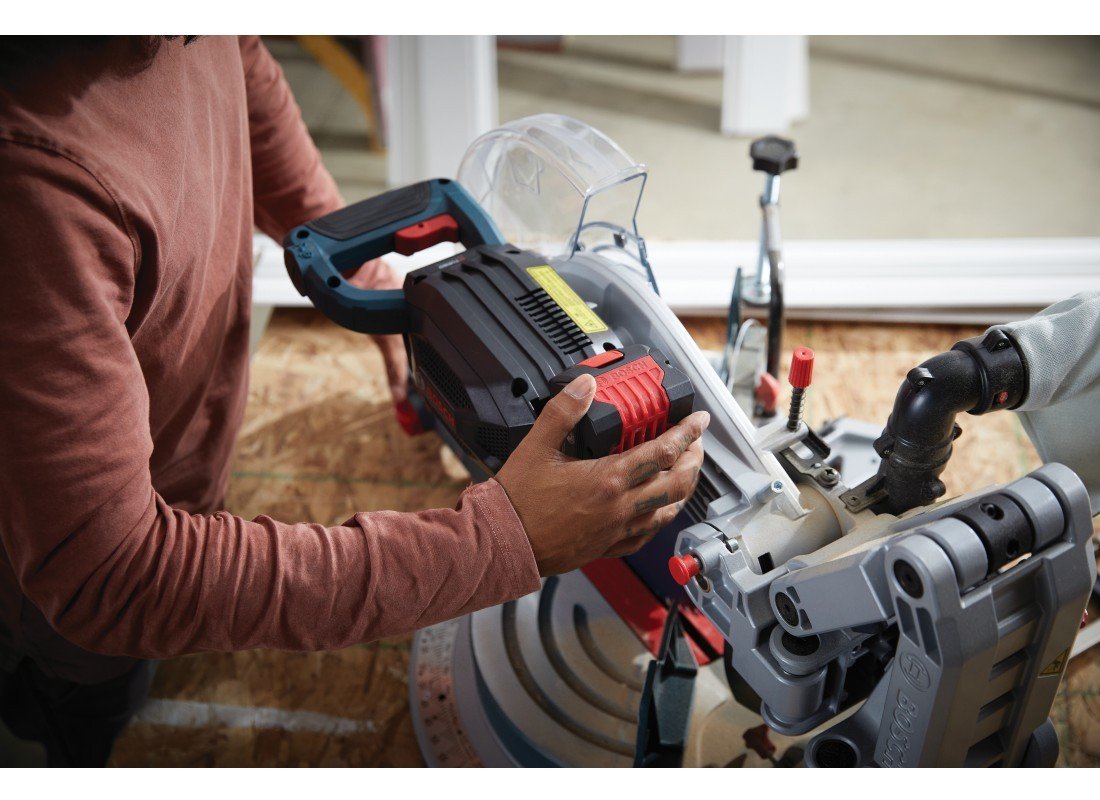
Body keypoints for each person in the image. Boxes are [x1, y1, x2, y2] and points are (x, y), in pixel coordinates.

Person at [0, 36, 708, 766]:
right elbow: (111, 578)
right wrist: (501, 541)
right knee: (104, 712)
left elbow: (240, 64)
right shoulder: (29, 187)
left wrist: (358, 265)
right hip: (81, 619)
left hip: (189, 473)